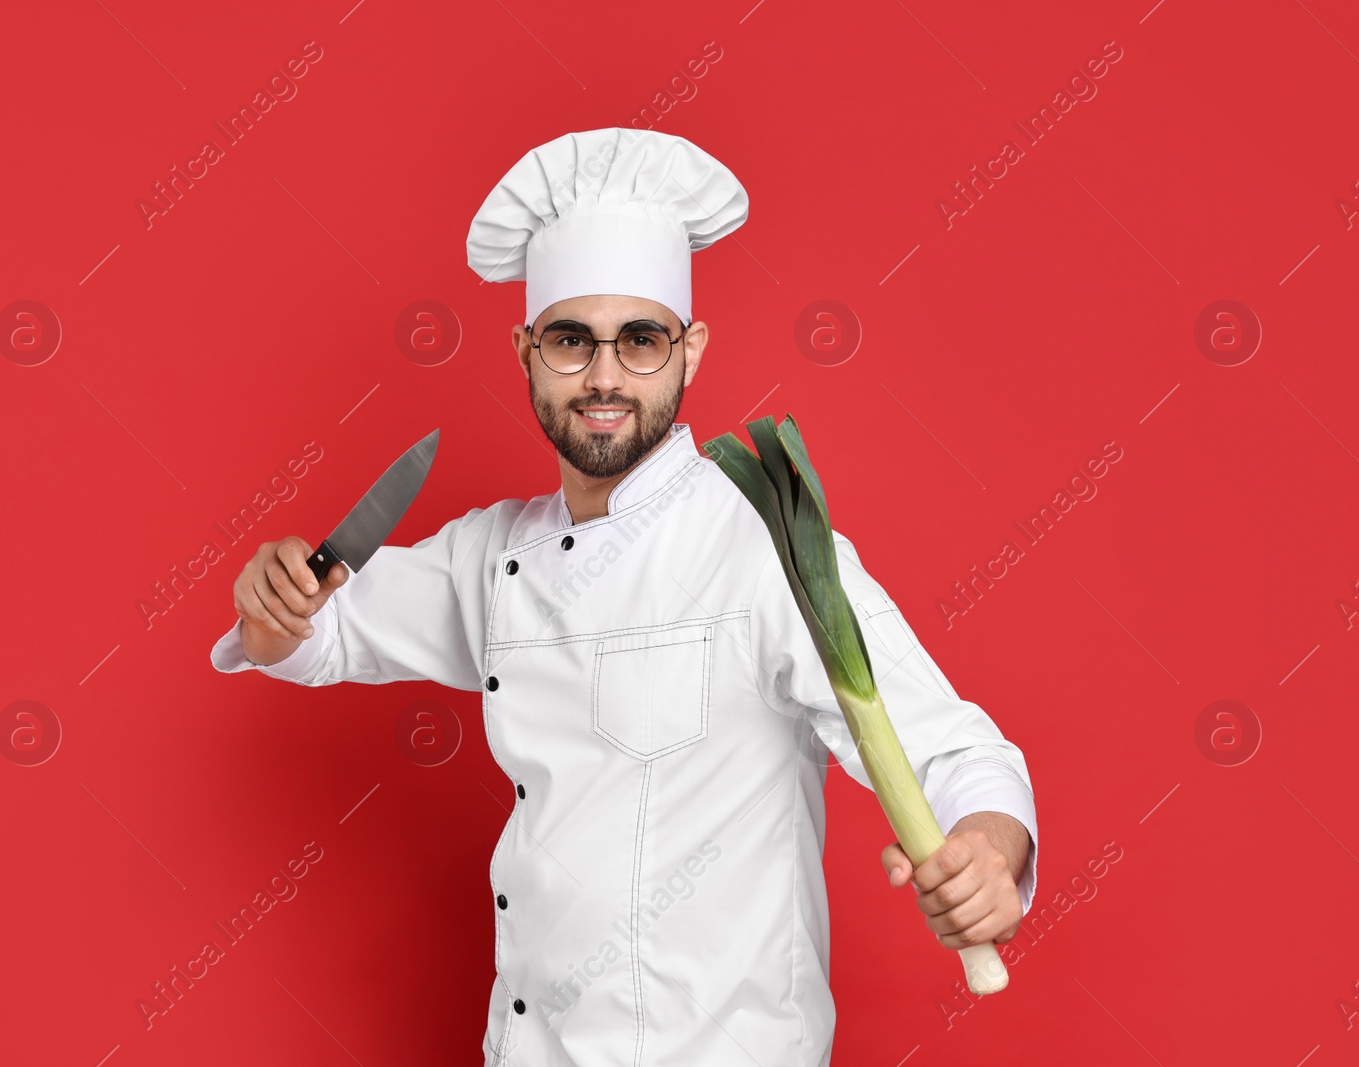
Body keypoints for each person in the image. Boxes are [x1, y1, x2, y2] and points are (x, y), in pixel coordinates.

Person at [210, 126, 1039, 1066]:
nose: (605, 376)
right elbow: (316, 632)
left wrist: (987, 848)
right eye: (572, 339)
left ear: (690, 351)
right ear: (525, 351)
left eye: (640, 340)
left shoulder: (759, 548)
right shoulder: (491, 557)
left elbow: (959, 750)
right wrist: (273, 597)